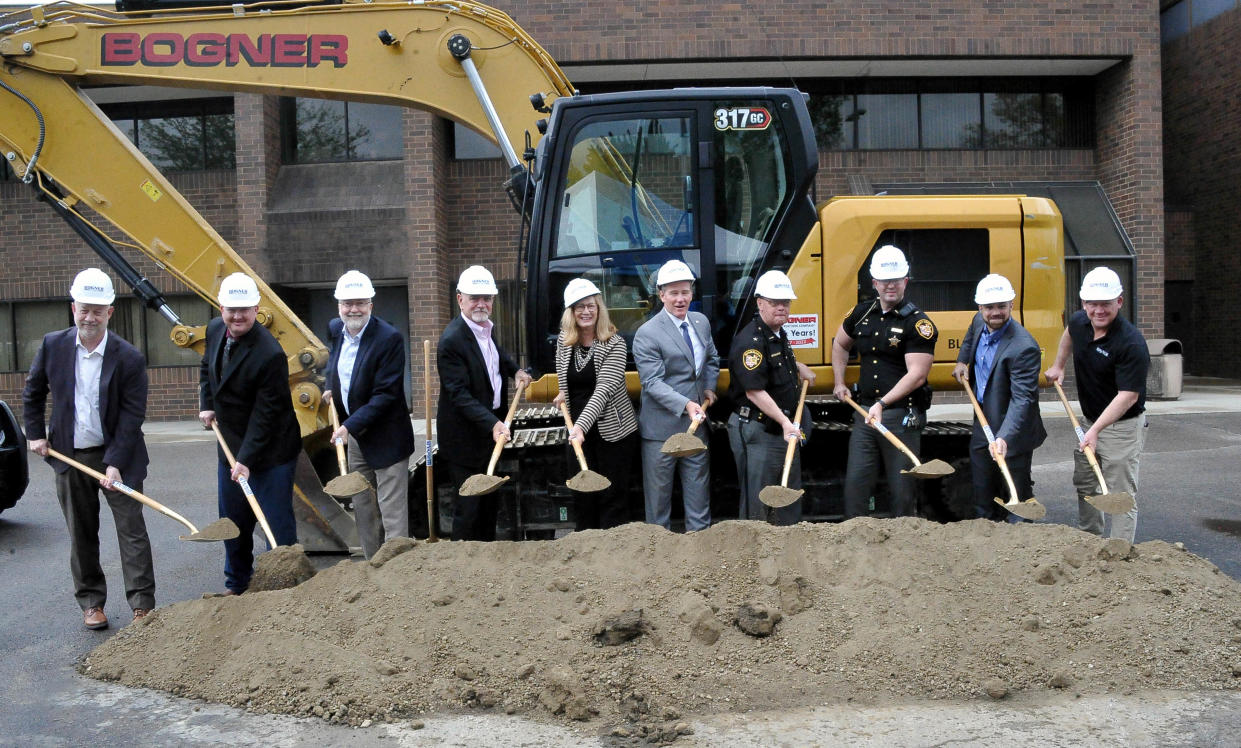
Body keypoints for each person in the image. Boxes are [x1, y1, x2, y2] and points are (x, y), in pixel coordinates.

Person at [23, 268, 155, 630]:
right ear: (73, 308)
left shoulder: (128, 357)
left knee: (131, 531)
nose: (89, 317)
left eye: (98, 310)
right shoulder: (53, 345)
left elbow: (132, 417)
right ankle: (92, 603)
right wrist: (35, 434)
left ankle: (142, 605)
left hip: (120, 457)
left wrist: (114, 463)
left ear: (110, 312)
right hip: (70, 456)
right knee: (81, 534)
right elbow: (33, 392)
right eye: (84, 309)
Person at [199, 272, 300, 594]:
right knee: (233, 520)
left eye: (244, 310)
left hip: (270, 452)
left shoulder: (269, 353)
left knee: (275, 525)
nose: (237, 316)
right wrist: (207, 403)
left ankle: (283, 588)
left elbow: (266, 415)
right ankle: (237, 584)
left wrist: (246, 460)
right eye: (231, 309)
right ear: (221, 308)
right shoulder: (215, 330)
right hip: (229, 443)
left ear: (257, 310)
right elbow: (206, 369)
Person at [831, 245, 937, 518]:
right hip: (865, 414)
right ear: (874, 282)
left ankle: (905, 546)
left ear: (906, 281)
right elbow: (840, 344)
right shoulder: (861, 313)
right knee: (856, 487)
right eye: (884, 280)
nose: (890, 285)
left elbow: (917, 375)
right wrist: (839, 381)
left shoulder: (918, 324)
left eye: (896, 279)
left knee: (902, 490)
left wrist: (882, 402)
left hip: (900, 416)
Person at [1045, 267, 1149, 541]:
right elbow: (1068, 334)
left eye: (1105, 303)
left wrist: (1096, 430)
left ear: (1119, 302)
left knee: (1119, 494)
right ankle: (1090, 541)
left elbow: (1128, 396)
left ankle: (1119, 552)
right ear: (1083, 303)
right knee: (1087, 485)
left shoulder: (1131, 343)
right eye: (1093, 303)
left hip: (1121, 427)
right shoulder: (1080, 322)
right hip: (1090, 421)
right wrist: (1059, 365)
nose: (1098, 310)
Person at [323, 270, 415, 559]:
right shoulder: (335, 329)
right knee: (363, 505)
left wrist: (348, 426)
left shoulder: (389, 339)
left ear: (371, 305)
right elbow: (334, 364)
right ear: (338, 305)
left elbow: (386, 394)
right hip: (359, 437)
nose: (354, 309)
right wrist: (329, 388)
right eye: (348, 303)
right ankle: (371, 564)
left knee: (391, 510)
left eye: (360, 303)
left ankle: (397, 568)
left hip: (387, 438)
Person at [437, 265, 532, 541]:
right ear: (460, 299)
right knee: (470, 505)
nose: (481, 304)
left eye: (486, 298)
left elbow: (497, 355)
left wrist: (515, 370)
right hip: (465, 438)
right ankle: (465, 564)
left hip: (487, 432)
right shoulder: (452, 341)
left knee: (489, 500)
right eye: (474, 297)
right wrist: (493, 423)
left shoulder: (483, 329)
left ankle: (485, 560)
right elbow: (459, 395)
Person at [632, 260, 720, 531]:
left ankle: (698, 557)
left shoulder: (700, 322)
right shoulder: (647, 333)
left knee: (698, 500)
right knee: (658, 508)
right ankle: (660, 563)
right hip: (661, 433)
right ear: (661, 295)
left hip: (695, 431)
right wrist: (686, 404)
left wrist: (709, 387)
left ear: (692, 292)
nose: (680, 299)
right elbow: (652, 382)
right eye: (673, 293)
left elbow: (712, 359)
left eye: (685, 292)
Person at [952, 274, 1047, 521]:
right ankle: (988, 538)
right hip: (983, 422)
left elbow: (1022, 399)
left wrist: (1004, 437)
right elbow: (971, 337)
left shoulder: (1023, 347)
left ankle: (1020, 547)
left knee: (1016, 496)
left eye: (1001, 306)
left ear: (1011, 305)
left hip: (1012, 429)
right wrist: (963, 361)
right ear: (980, 307)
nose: (996, 312)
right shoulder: (977, 321)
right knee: (982, 491)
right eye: (990, 307)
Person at [727, 270, 816, 525]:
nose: (781, 307)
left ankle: (786, 552)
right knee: (761, 500)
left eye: (785, 302)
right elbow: (754, 391)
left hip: (782, 429)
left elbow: (773, 364)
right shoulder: (751, 342)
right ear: (760, 303)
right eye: (775, 302)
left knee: (787, 496)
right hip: (762, 430)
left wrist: (799, 367)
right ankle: (757, 555)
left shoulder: (777, 333)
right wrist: (786, 424)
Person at [553, 278, 640, 530]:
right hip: (577, 430)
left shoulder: (615, 343)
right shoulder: (563, 341)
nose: (586, 311)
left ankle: (613, 551)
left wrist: (580, 427)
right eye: (579, 307)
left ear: (599, 308)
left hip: (612, 432)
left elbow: (603, 389)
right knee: (582, 492)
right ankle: (587, 551)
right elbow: (567, 377)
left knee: (612, 495)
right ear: (570, 312)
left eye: (591, 305)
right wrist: (563, 394)